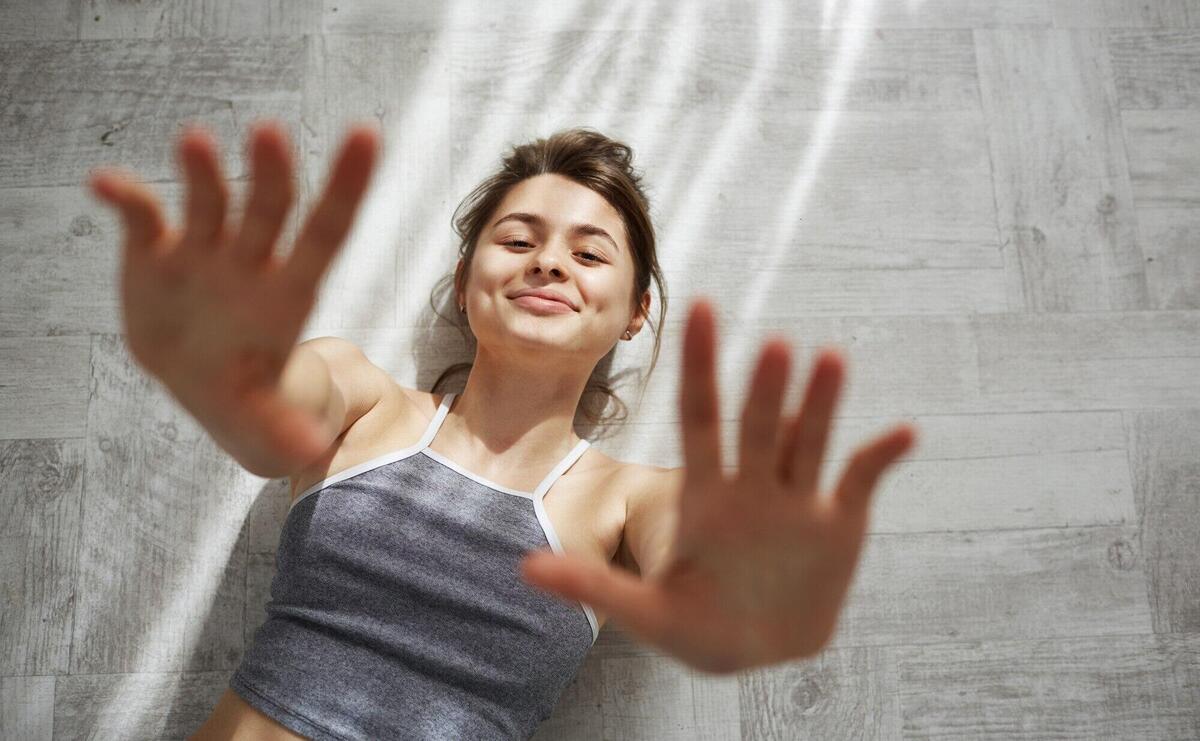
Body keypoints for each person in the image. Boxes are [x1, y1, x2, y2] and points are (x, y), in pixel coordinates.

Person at [88, 121, 917, 740]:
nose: (549, 262)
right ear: (464, 279)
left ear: (635, 314)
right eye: (518, 239)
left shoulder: (626, 499)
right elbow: (266, 418)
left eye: (590, 255)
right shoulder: (364, 399)